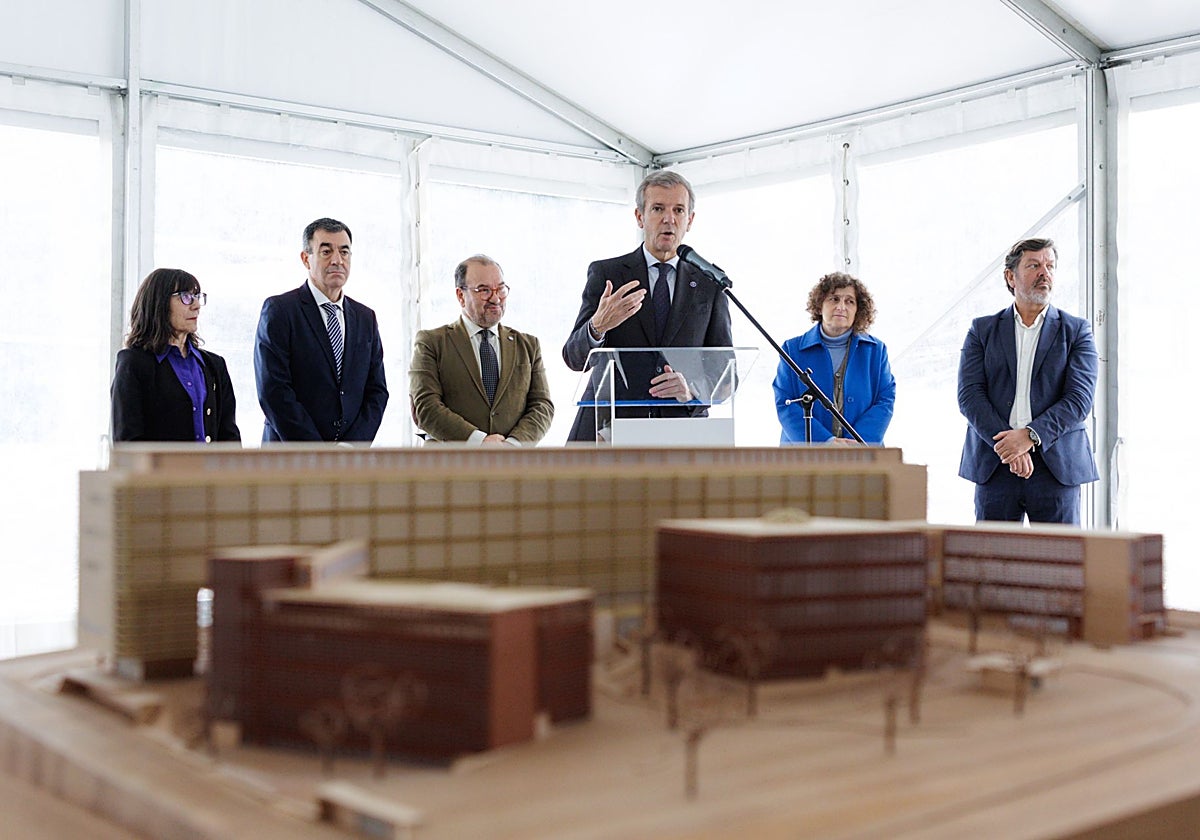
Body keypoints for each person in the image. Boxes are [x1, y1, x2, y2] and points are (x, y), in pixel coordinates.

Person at [562, 170, 733, 441]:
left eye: (679, 210)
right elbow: (574, 357)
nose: (669, 219)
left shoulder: (709, 282)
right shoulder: (608, 274)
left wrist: (691, 390)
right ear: (640, 216)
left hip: (681, 432)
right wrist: (598, 326)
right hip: (608, 431)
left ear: (690, 220)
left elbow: (725, 370)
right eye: (657, 209)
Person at [958, 237, 1098, 525]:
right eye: (1034, 265)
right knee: (992, 562)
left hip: (1056, 466)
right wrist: (1009, 447)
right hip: (996, 464)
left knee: (1060, 563)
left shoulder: (1077, 331)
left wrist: (1030, 436)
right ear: (1011, 276)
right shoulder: (981, 330)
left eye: (1050, 266)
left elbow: (1079, 400)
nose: (1044, 273)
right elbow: (970, 396)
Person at [254, 218, 389, 443]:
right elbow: (273, 390)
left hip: (348, 461)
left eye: (344, 252)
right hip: (291, 457)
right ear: (306, 259)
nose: (337, 260)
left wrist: (350, 447)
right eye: (326, 252)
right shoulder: (280, 310)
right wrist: (317, 452)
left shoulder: (366, 317)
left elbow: (377, 391)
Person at [409, 255, 554, 445]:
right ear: (461, 296)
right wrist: (479, 442)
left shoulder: (528, 345)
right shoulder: (431, 343)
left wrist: (513, 445)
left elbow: (542, 406)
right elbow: (425, 407)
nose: (495, 298)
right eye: (484, 290)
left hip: (512, 465)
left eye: (500, 289)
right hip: (449, 466)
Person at [111, 268, 240, 443]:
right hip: (161, 471)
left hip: (210, 471)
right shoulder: (133, 363)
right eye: (186, 297)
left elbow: (229, 438)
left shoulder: (214, 365)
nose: (196, 305)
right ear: (159, 303)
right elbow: (128, 441)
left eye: (197, 296)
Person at [773, 272, 895, 445]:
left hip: (862, 456)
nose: (841, 307)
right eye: (834, 299)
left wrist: (857, 443)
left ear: (858, 309)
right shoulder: (791, 350)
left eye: (849, 301)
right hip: (805, 458)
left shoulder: (876, 350)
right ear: (820, 304)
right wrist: (824, 442)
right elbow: (785, 403)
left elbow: (885, 400)